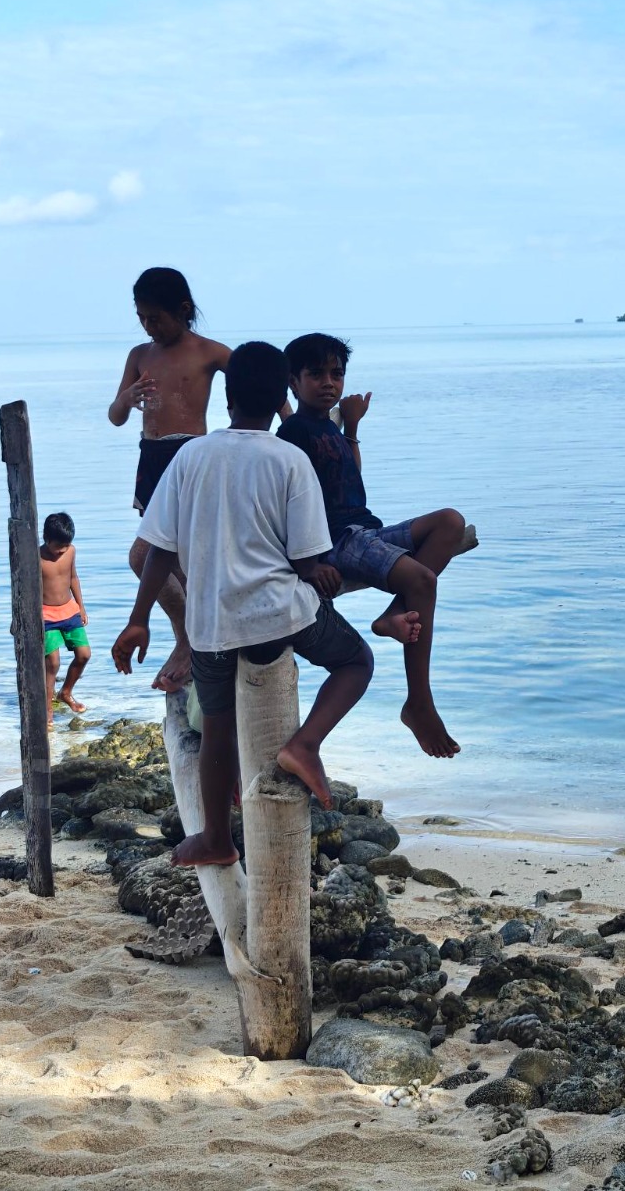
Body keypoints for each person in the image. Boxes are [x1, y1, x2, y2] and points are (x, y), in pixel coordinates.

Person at [111, 341, 374, 865]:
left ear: (225, 397)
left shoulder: (191, 455)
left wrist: (138, 620)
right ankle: (304, 745)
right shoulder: (290, 459)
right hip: (281, 615)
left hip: (211, 626)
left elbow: (158, 547)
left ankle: (216, 839)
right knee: (354, 662)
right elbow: (307, 557)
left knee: (218, 724)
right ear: (283, 394)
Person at [278, 332, 472, 761]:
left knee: (450, 524)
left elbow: (351, 477)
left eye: (337, 374)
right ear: (293, 381)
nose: (329, 382)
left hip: (364, 528)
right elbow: (288, 501)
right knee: (422, 580)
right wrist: (308, 563)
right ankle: (418, 702)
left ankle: (392, 613)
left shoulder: (327, 426)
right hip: (337, 540)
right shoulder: (292, 431)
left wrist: (352, 426)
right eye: (316, 375)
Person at [107, 267, 231, 695]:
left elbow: (258, 384)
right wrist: (127, 398)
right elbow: (116, 416)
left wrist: (288, 424)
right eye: (141, 317)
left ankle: (188, 643)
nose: (148, 325)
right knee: (171, 561)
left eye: (155, 317)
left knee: (147, 556)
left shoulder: (209, 352)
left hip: (191, 455)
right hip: (152, 456)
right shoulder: (140, 355)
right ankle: (191, 642)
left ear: (183, 310)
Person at [39, 511, 90, 719]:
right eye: (58, 546)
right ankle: (47, 709)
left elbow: (73, 578)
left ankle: (65, 692)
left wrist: (81, 606)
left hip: (69, 610)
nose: (62, 551)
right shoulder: (36, 557)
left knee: (84, 654)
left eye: (65, 546)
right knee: (52, 662)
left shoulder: (70, 552)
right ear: (47, 539)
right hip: (46, 615)